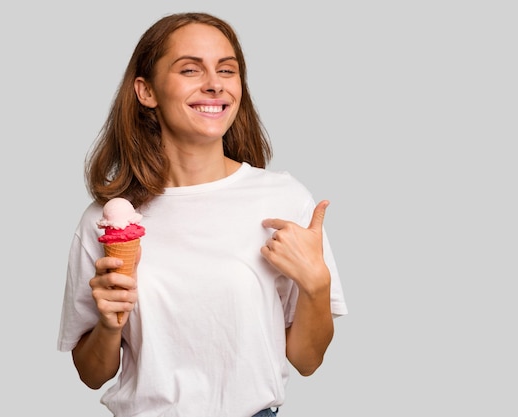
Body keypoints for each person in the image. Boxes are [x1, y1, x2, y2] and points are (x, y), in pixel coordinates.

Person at [57, 12, 348, 417]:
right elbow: (91, 373)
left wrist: (317, 285)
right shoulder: (105, 221)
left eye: (226, 70)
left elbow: (307, 360)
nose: (214, 83)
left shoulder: (283, 199)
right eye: (191, 69)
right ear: (146, 91)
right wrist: (109, 324)